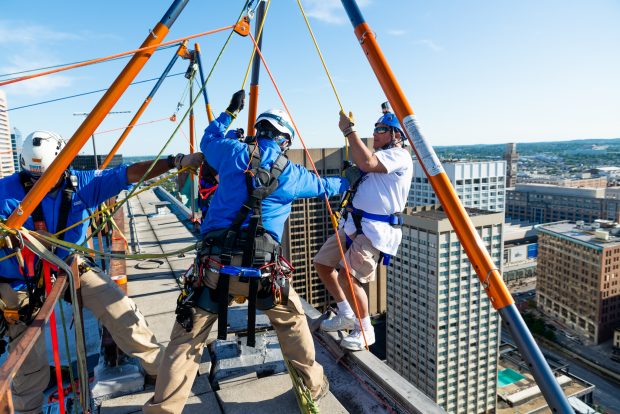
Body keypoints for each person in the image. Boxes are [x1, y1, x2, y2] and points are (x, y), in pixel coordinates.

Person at [144, 90, 349, 413]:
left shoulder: (231, 152)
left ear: (259, 131)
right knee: (293, 323)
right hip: (263, 274)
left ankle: (163, 410)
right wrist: (350, 178)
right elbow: (328, 187)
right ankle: (312, 386)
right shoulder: (292, 175)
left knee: (185, 341)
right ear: (284, 141)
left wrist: (229, 112)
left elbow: (209, 139)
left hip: (213, 270)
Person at [0, 130, 204, 414]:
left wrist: (175, 161)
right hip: (21, 280)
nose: (41, 185)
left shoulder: (82, 183)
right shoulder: (5, 190)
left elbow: (129, 174)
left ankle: (161, 372)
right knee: (28, 361)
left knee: (123, 312)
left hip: (68, 265)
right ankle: (26, 411)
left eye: (46, 177)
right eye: (34, 179)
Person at [314, 110, 413, 351]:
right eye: (375, 129)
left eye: (381, 130)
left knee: (349, 276)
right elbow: (366, 164)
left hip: (374, 230)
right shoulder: (380, 157)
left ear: (395, 135)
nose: (375, 134)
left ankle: (365, 329)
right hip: (353, 224)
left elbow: (367, 163)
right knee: (323, 264)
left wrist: (349, 131)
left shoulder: (399, 156)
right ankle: (346, 312)